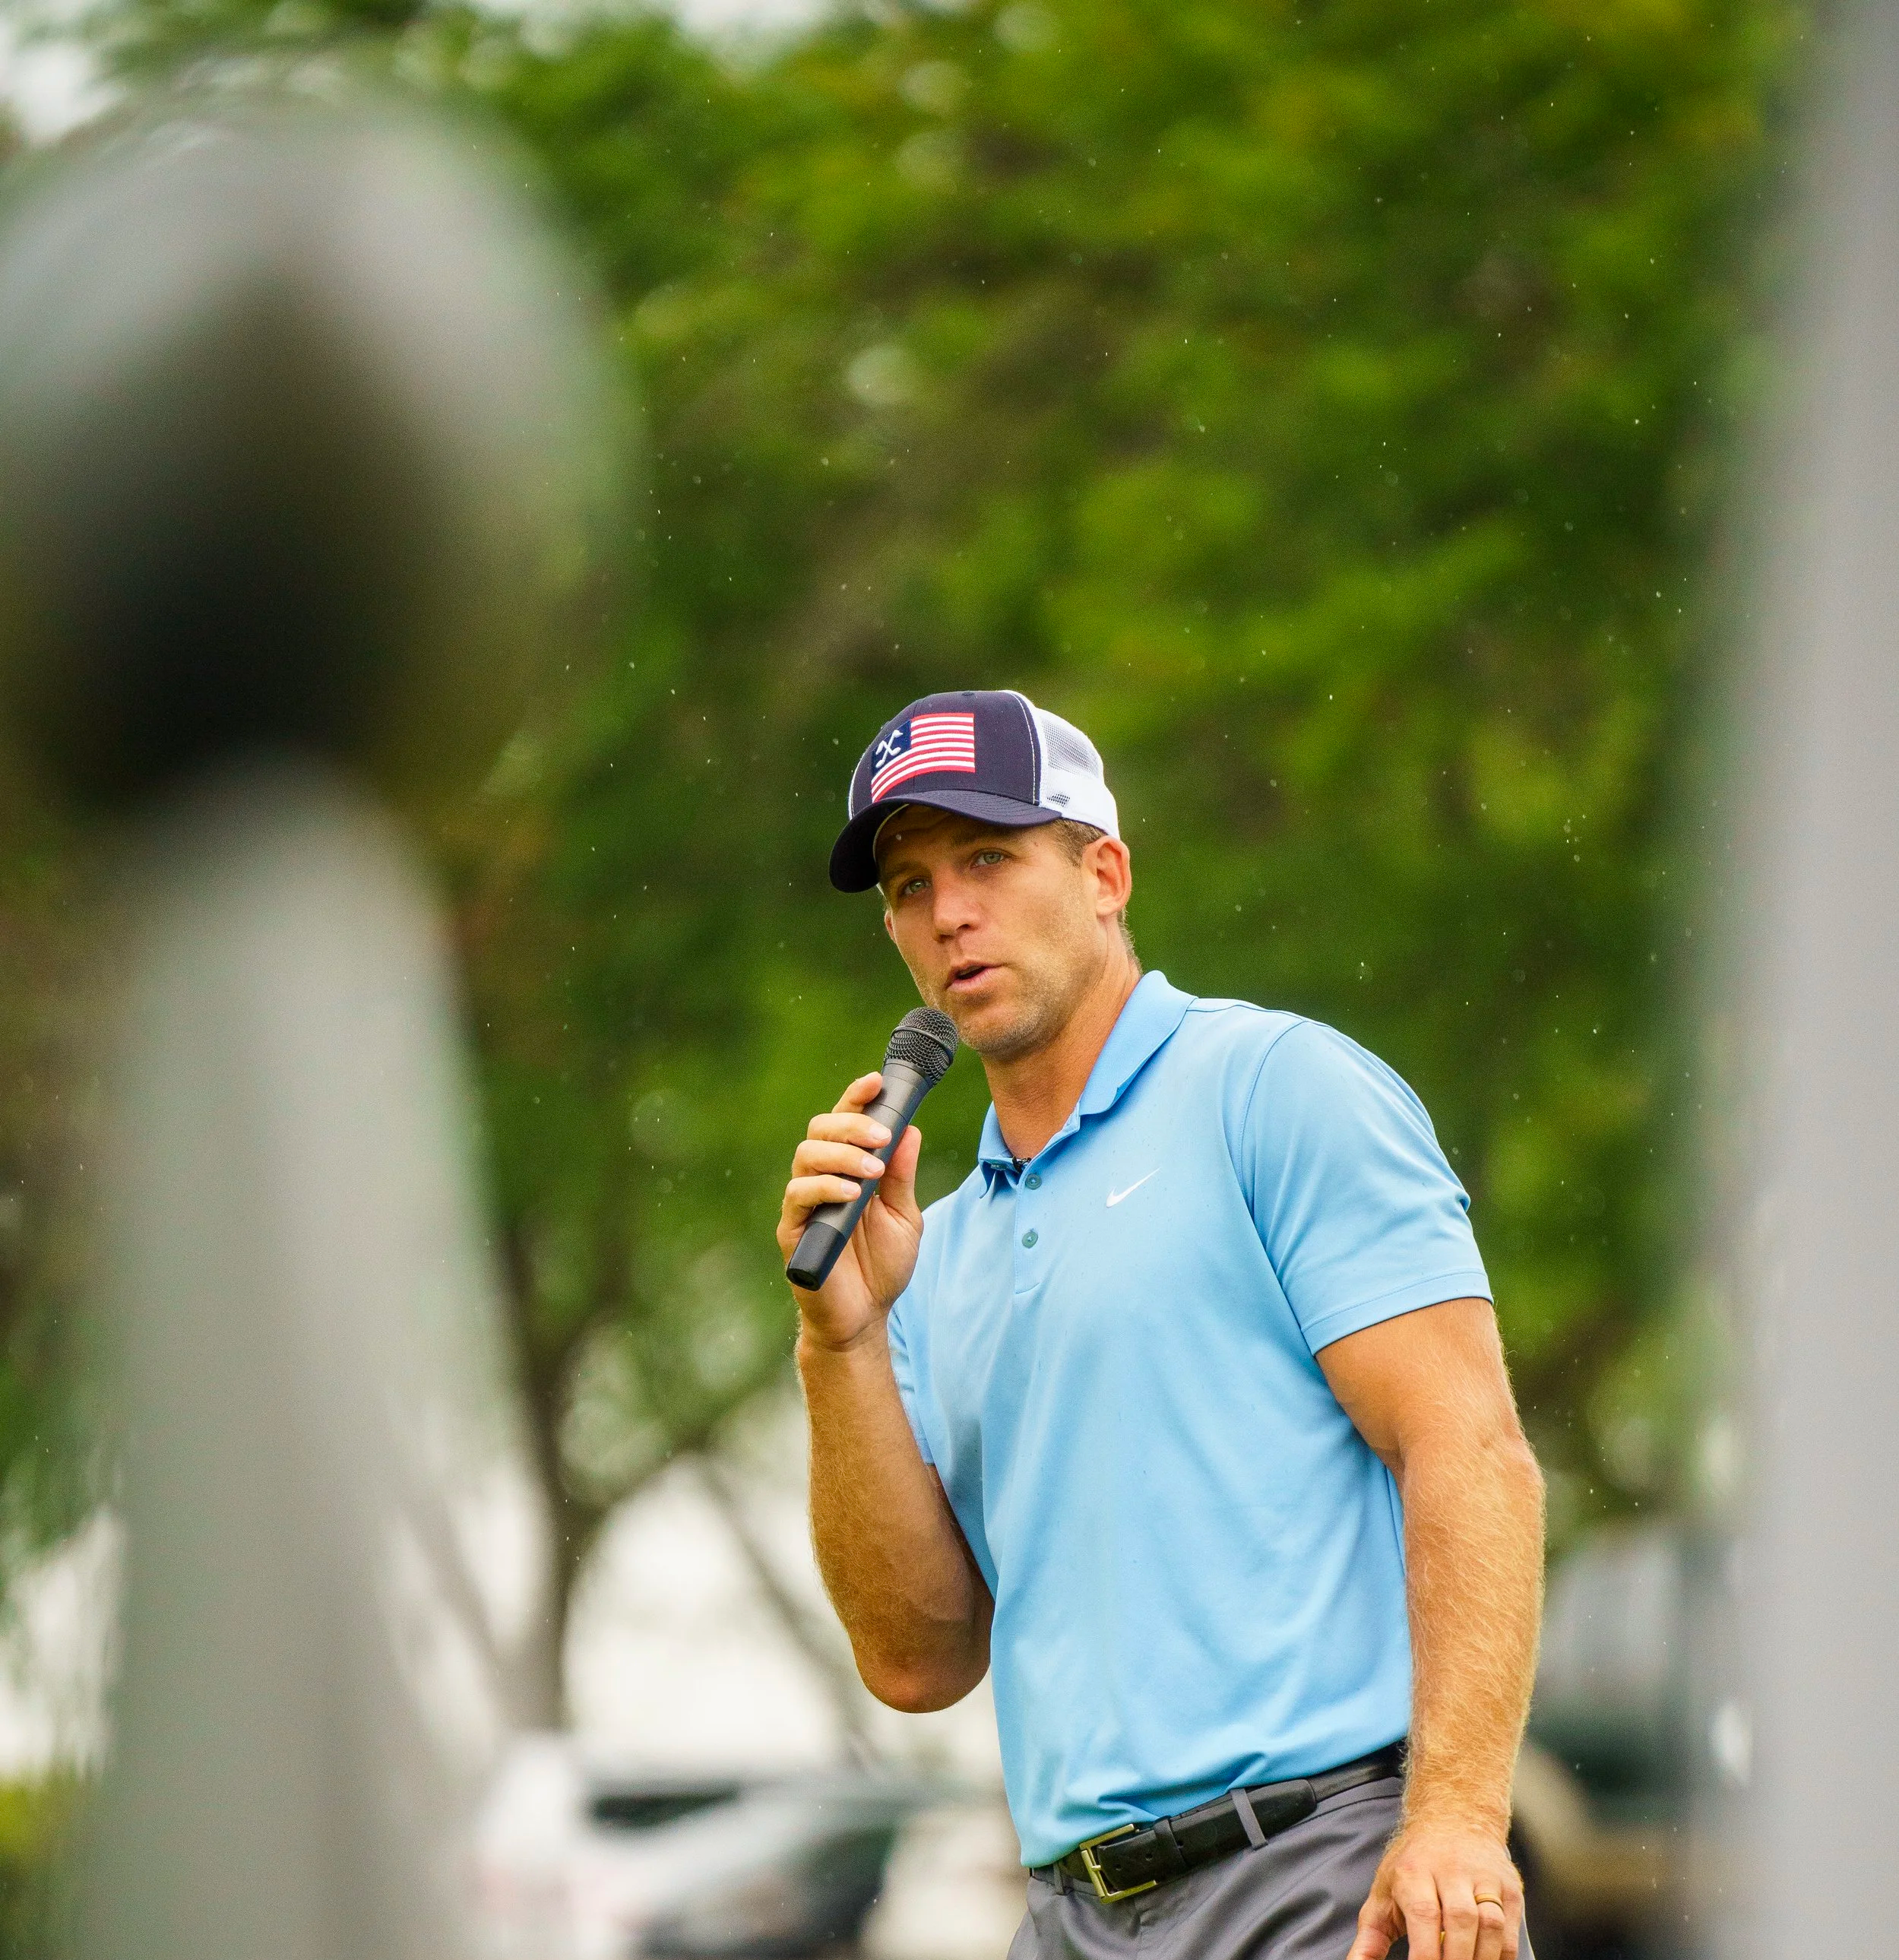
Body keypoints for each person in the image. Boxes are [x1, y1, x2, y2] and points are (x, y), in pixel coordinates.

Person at [777, 689, 1545, 1960]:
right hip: (1071, 1916)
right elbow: (916, 1661)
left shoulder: (1273, 1090)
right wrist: (839, 1341)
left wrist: (1458, 1817)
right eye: (907, 885)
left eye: (986, 857)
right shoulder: (923, 1250)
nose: (948, 911)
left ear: (1103, 873)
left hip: (1324, 1877)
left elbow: (1468, 1452)